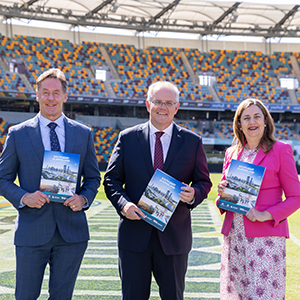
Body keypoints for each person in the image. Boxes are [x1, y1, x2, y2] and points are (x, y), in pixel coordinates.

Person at [104, 81, 212, 300]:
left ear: (177, 107)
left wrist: (194, 195)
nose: (163, 107)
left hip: (174, 239)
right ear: (147, 104)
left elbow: (204, 182)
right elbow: (111, 180)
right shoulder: (127, 138)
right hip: (134, 237)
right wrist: (124, 205)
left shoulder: (192, 142)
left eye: (169, 103)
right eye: (158, 102)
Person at [0, 68, 101, 300]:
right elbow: (2, 178)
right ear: (37, 95)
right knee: (25, 296)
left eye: (56, 93)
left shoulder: (83, 133)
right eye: (45, 92)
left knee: (62, 297)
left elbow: (94, 178)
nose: (51, 98)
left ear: (65, 96)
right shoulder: (17, 133)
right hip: (31, 230)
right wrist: (24, 197)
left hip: (71, 233)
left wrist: (84, 198)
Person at [216, 98, 300, 299]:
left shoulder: (280, 150)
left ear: (265, 121)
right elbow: (224, 202)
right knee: (238, 295)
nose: (252, 122)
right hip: (235, 237)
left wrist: (265, 215)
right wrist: (222, 194)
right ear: (239, 124)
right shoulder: (231, 153)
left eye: (256, 116)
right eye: (246, 118)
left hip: (266, 238)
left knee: (264, 295)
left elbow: (296, 197)